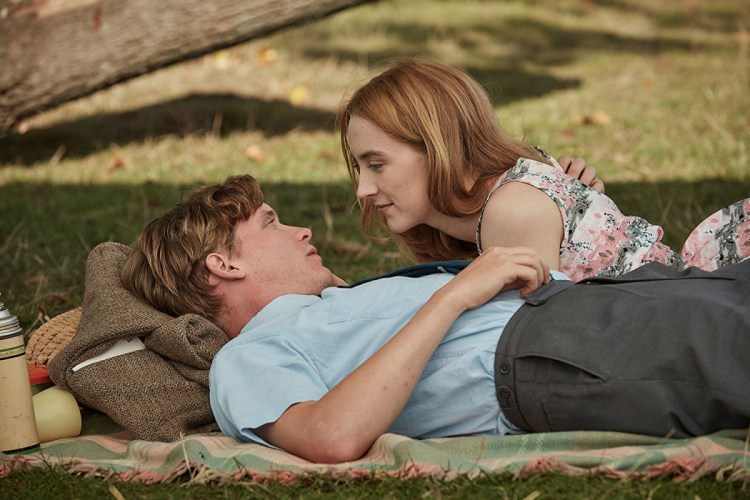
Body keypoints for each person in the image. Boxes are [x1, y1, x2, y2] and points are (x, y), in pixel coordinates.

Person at [122, 174, 750, 464]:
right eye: (271, 225)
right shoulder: (246, 358)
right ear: (221, 266)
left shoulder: (325, 309)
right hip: (552, 352)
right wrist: (454, 295)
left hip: (593, 306)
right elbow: (328, 437)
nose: (302, 229)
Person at [338, 57, 750, 281]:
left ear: (438, 148)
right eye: (360, 167)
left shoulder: (511, 210)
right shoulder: (496, 202)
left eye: (376, 164)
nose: (364, 190)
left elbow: (535, 340)